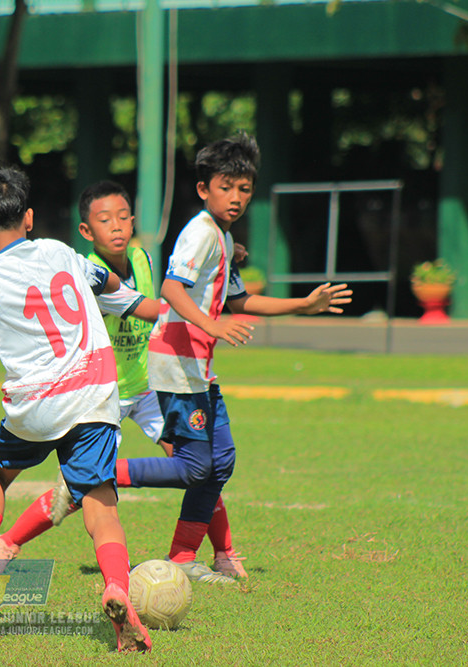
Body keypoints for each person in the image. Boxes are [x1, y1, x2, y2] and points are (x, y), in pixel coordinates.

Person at [0, 163, 151, 653]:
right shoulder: (62, 251)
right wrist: (173, 312)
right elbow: (114, 290)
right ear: (29, 217)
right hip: (94, 396)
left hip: (36, 406)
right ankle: (116, 588)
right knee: (99, 501)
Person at [118, 132, 351, 582]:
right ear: (204, 188)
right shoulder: (201, 234)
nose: (236, 197)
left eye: (245, 189)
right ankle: (97, 473)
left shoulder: (222, 238)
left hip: (199, 369)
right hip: (175, 364)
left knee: (219, 462)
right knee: (196, 466)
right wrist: (212, 324)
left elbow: (239, 300)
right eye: (226, 187)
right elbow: (171, 289)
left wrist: (302, 304)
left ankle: (184, 559)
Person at [0, 180, 247, 583]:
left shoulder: (144, 260)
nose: (117, 226)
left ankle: (221, 553)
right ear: (86, 231)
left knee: (200, 463)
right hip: (100, 395)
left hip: (149, 388)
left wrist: (220, 268)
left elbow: (165, 306)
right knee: (87, 484)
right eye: (104, 220)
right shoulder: (81, 271)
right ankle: (8, 543)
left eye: (124, 217)